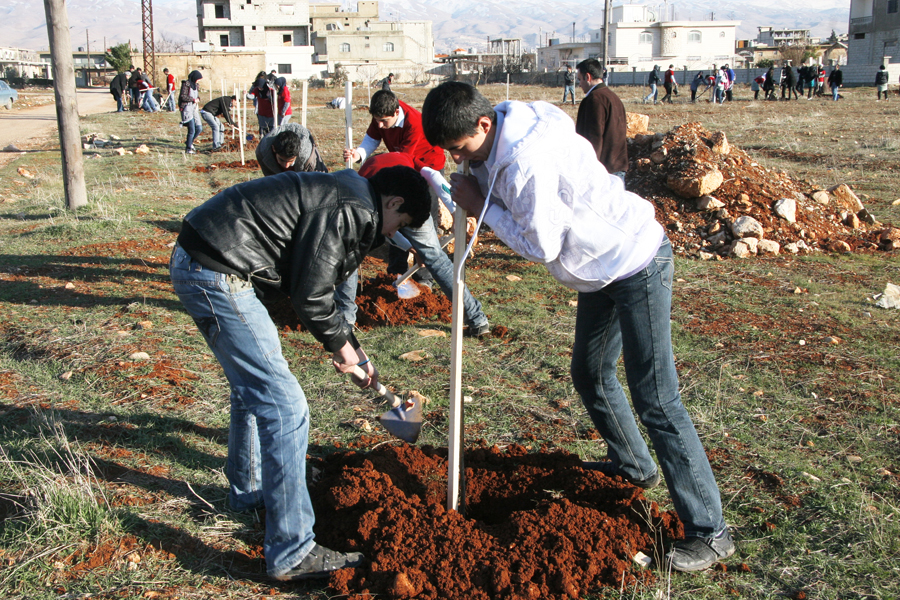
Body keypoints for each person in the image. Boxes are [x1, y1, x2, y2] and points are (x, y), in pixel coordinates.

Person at [421, 81, 734, 574]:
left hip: (633, 261)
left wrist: (482, 205)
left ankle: (710, 532)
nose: (459, 158)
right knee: (590, 372)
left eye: (460, 150)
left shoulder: (527, 161)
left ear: (484, 124)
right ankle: (634, 466)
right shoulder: (507, 115)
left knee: (656, 397)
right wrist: (477, 179)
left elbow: (540, 245)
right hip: (596, 267)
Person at [170, 165, 431, 582]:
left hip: (206, 255)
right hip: (218, 267)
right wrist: (341, 345)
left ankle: (251, 490)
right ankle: (292, 551)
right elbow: (310, 295)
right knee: (286, 407)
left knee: (253, 388)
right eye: (400, 223)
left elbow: (318, 282)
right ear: (395, 203)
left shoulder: (350, 192)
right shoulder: (353, 208)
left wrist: (354, 352)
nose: (390, 236)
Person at [356, 152, 492, 337]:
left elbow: (387, 229)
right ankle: (477, 320)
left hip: (396, 202)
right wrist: (454, 210)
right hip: (406, 202)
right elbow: (434, 175)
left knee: (353, 251)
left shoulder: (364, 175)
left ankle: (347, 319)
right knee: (436, 258)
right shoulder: (403, 158)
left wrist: (454, 212)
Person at [343, 89, 447, 293]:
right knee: (393, 218)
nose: (380, 125)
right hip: (402, 166)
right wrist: (359, 154)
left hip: (427, 167)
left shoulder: (414, 123)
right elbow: (372, 140)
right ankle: (396, 271)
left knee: (423, 219)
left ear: (396, 112)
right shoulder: (381, 115)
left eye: (384, 121)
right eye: (377, 121)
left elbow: (402, 161)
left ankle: (424, 278)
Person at [574, 58, 628, 183]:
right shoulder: (613, 97)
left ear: (587, 77)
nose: (579, 84)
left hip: (603, 171)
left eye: (579, 79)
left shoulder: (594, 100)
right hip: (617, 166)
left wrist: (587, 170)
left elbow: (593, 139)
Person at [179, 70, 203, 154]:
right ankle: (188, 148)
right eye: (198, 79)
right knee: (191, 129)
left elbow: (197, 96)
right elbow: (183, 96)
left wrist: (198, 99)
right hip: (187, 108)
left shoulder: (196, 86)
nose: (198, 81)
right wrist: (193, 100)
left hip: (194, 108)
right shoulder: (186, 84)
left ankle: (190, 142)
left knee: (199, 128)